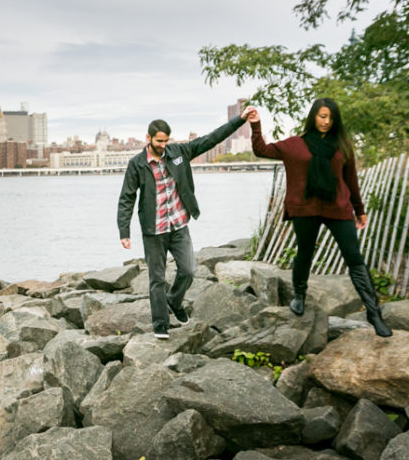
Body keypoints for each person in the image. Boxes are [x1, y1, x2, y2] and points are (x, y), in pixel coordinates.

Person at [247, 98, 392, 337]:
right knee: (304, 253)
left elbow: (351, 179)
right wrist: (255, 124)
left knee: (354, 258)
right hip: (305, 208)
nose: (326, 121)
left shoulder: (342, 145)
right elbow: (260, 149)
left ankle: (374, 314)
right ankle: (299, 296)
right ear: (313, 116)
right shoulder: (295, 145)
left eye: (331, 118)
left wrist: (360, 210)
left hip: (338, 207)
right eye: (322, 116)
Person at [117, 108, 253, 339]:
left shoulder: (179, 152)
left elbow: (212, 138)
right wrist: (124, 231)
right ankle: (161, 324)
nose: (163, 145)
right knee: (157, 279)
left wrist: (240, 120)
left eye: (166, 140)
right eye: (159, 141)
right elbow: (127, 197)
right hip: (154, 230)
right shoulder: (137, 164)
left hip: (179, 225)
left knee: (188, 270)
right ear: (148, 138)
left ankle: (174, 300)